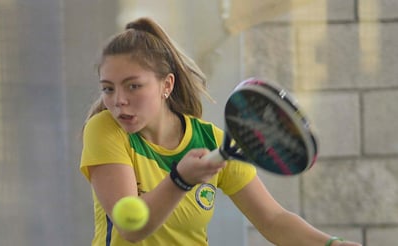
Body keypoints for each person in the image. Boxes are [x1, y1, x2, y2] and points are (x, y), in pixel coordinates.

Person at [80, 17, 361, 246]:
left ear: (166, 85)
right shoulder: (104, 129)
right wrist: (181, 179)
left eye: (133, 86)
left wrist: (331, 244)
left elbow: (272, 220)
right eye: (108, 88)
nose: (118, 100)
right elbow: (132, 227)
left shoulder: (211, 140)